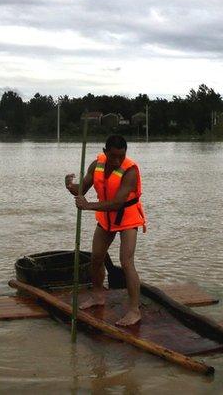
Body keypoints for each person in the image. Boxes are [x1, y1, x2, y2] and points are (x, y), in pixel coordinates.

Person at [65, 134, 147, 326]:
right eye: (113, 156)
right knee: (96, 258)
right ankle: (97, 295)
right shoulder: (96, 165)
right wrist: (69, 185)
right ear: (105, 152)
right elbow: (81, 190)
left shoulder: (130, 171)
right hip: (106, 218)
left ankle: (134, 310)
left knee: (126, 262)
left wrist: (88, 206)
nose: (117, 160)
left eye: (121, 156)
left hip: (127, 218)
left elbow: (118, 203)